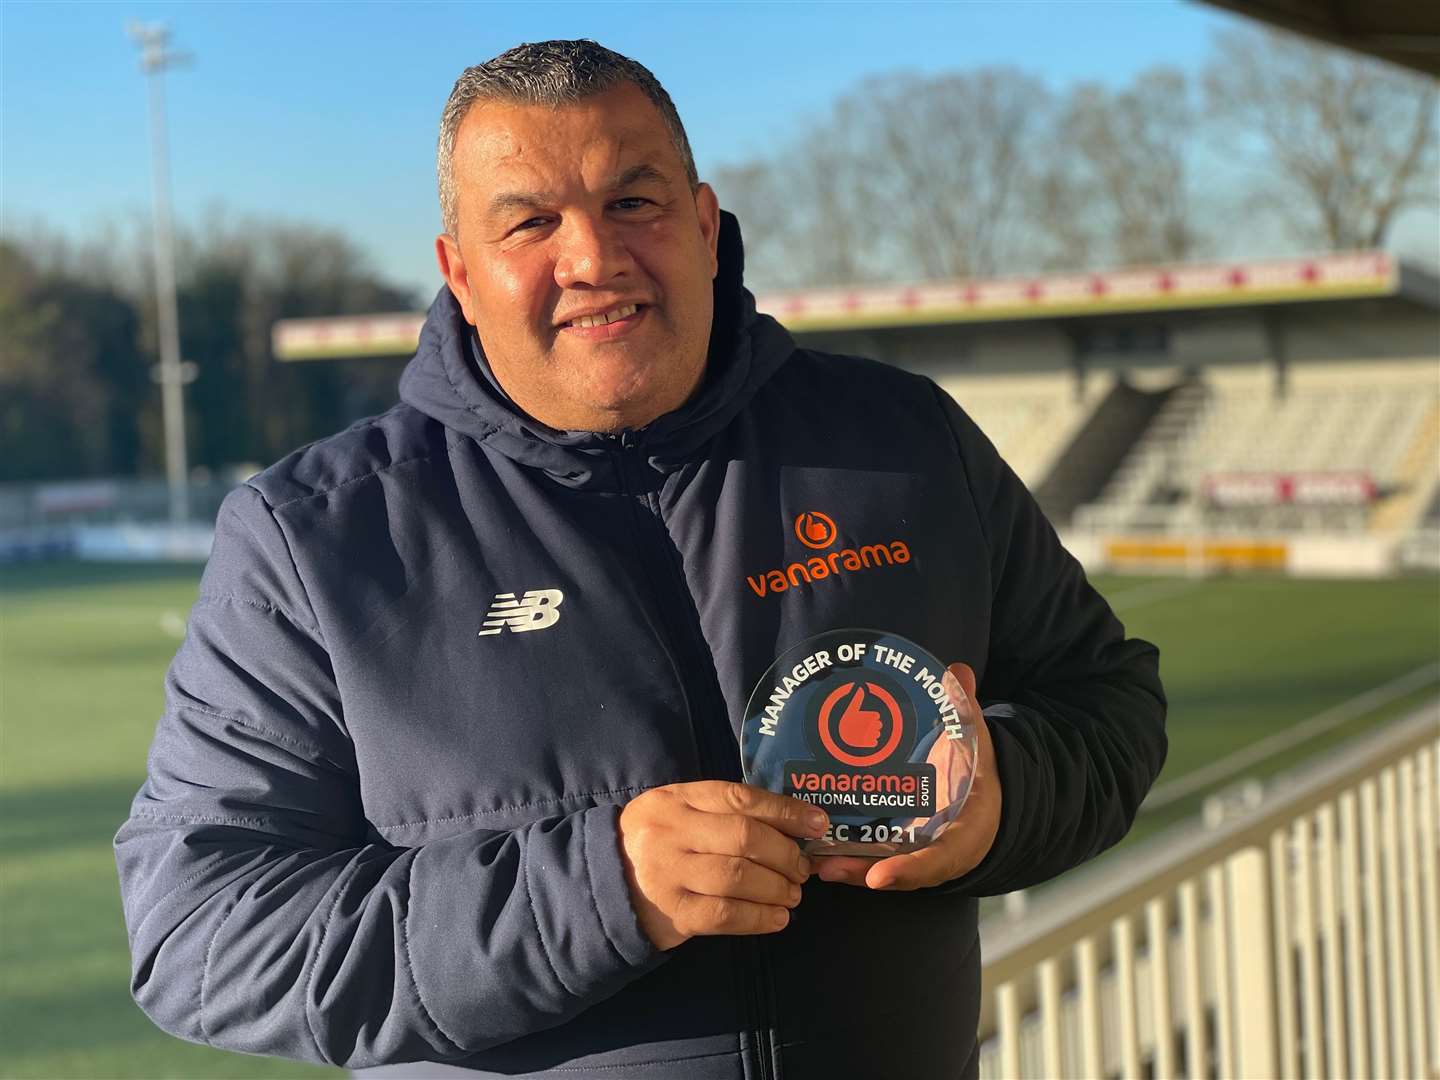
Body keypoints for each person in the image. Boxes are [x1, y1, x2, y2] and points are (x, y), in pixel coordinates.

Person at [115, 39, 1166, 1080]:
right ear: (459, 272)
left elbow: (1108, 703)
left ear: (704, 226)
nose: (593, 258)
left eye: (634, 203)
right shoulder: (316, 537)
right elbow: (199, 934)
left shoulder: (902, 442)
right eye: (529, 222)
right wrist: (595, 891)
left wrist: (1001, 807)